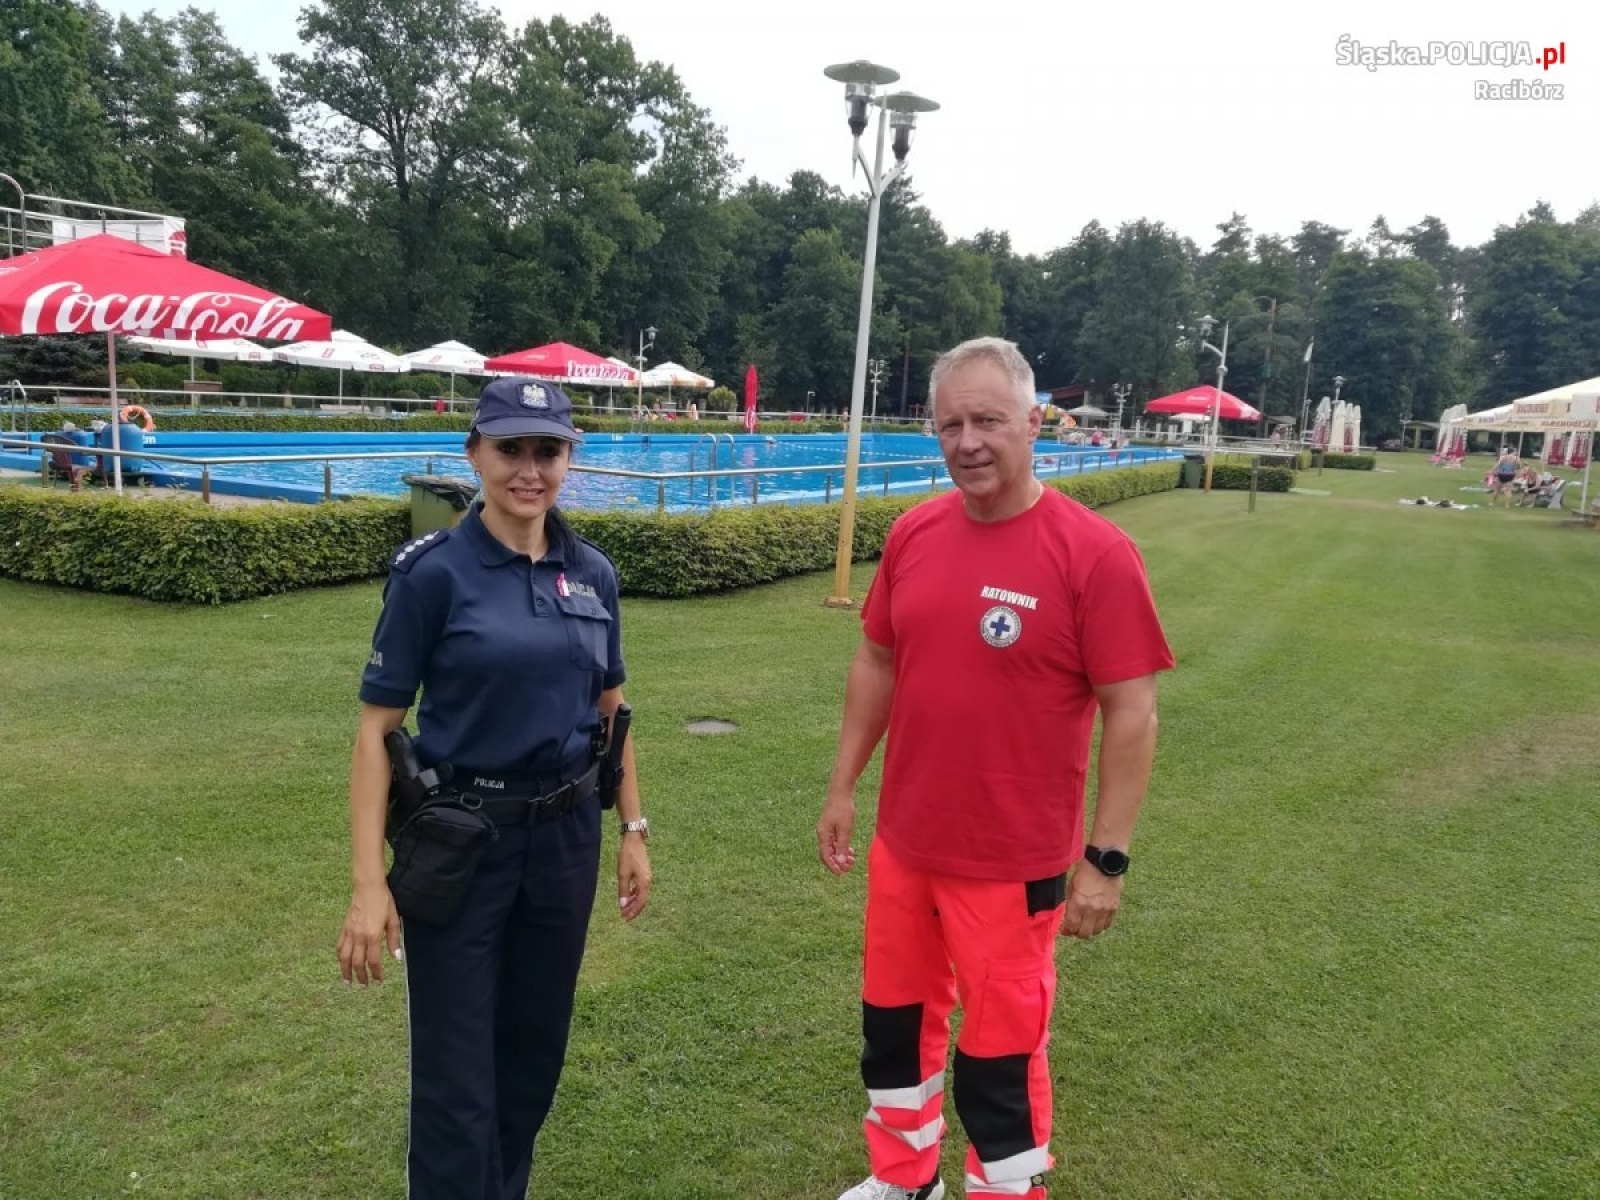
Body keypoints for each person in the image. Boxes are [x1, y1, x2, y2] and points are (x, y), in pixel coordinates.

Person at [817, 336, 1175, 1200]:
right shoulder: (914, 533)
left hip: (1013, 864)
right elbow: (878, 663)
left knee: (1001, 1052)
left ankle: (1005, 1191)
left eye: (987, 420)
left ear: (1031, 423)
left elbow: (1134, 713)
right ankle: (904, 1180)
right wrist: (842, 786)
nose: (967, 441)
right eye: (950, 424)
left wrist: (1107, 860)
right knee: (896, 1029)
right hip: (907, 845)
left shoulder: (1093, 553)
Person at [337, 376, 653, 1200]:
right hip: (460, 842)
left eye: (546, 451)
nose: (529, 468)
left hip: (564, 841)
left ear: (567, 461)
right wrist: (369, 886)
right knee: (455, 1072)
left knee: (532, 1051)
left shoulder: (594, 574)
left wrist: (633, 830)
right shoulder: (433, 574)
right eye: (510, 447)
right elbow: (377, 729)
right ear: (475, 453)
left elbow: (612, 712)